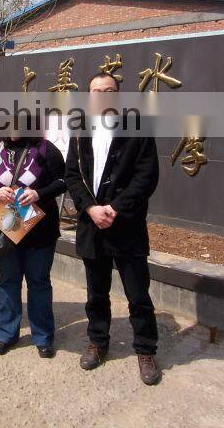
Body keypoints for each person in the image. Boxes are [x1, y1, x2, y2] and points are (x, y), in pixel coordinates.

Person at [64, 72, 162, 385]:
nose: (103, 96)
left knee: (138, 295)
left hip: (126, 226)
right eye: (96, 91)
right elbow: (72, 176)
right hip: (92, 224)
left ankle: (146, 350)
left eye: (109, 91)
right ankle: (98, 341)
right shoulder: (80, 130)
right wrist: (91, 209)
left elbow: (146, 177)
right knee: (96, 293)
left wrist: (116, 209)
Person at [0, 134, 66, 358]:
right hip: (7, 227)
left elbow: (63, 181)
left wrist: (39, 193)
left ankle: (43, 336)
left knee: (39, 283)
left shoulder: (45, 148)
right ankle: (6, 333)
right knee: (8, 281)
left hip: (41, 228)